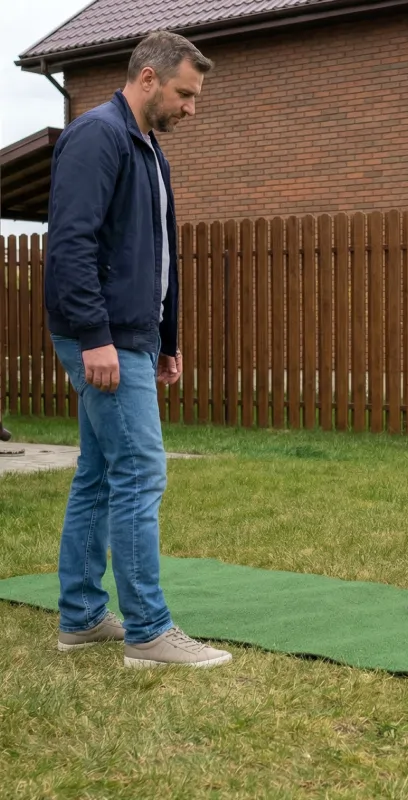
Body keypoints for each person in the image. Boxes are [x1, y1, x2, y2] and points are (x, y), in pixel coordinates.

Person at [45, 31, 232, 667]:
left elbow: (157, 254)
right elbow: (71, 243)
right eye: (185, 93)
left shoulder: (149, 149)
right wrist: (95, 336)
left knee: (100, 473)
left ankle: (81, 618)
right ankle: (149, 631)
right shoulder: (97, 136)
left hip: (132, 337)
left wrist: (166, 339)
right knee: (140, 472)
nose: (191, 108)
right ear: (147, 78)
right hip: (103, 336)